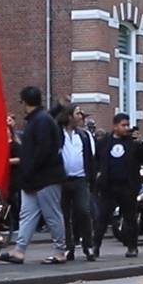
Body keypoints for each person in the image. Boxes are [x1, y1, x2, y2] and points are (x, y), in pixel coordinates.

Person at [0, 86, 68, 265]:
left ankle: (60, 251)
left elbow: (42, 150)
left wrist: (28, 168)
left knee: (51, 214)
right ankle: (19, 250)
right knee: (27, 214)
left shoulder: (39, 121)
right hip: (35, 177)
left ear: (24, 101)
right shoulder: (40, 120)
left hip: (44, 177)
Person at [93, 113, 143, 257]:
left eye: (127, 125)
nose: (126, 128)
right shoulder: (104, 142)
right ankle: (95, 246)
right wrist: (98, 175)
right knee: (102, 217)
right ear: (115, 126)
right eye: (123, 125)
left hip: (127, 186)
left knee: (130, 218)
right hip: (108, 186)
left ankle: (132, 247)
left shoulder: (133, 143)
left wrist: (140, 143)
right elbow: (97, 160)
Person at [56, 103, 96, 261]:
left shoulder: (84, 136)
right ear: (69, 116)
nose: (81, 117)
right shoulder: (59, 134)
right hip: (63, 180)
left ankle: (88, 245)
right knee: (64, 215)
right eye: (78, 113)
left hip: (80, 179)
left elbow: (90, 159)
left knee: (84, 211)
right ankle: (68, 246)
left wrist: (91, 180)